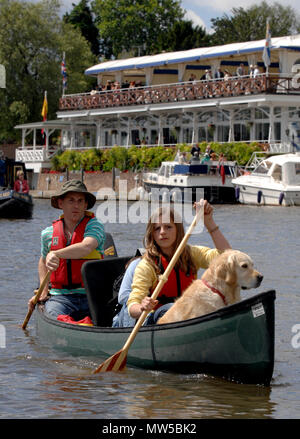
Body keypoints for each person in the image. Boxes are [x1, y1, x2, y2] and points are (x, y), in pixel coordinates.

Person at [126, 200, 231, 325]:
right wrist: (142, 307)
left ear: (178, 230)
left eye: (168, 227)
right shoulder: (147, 265)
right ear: (152, 234)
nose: (162, 232)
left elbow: (227, 259)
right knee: (173, 307)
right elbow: (132, 306)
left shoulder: (192, 254)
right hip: (159, 320)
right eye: (157, 229)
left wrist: (209, 222)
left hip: (190, 315)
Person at [27, 180, 105, 320]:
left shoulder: (95, 226)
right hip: (61, 298)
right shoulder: (47, 234)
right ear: (60, 203)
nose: (76, 205)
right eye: (71, 200)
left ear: (86, 205)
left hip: (91, 296)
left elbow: (86, 247)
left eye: (80, 201)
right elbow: (43, 260)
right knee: (54, 315)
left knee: (106, 318)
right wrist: (43, 292)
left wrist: (55, 253)